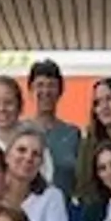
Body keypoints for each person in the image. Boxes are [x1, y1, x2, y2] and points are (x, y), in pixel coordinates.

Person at [2, 127, 70, 221]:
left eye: (36, 154)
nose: (28, 158)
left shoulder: (52, 198)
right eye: (21, 150)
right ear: (7, 156)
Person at [26, 58, 83, 197]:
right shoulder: (21, 131)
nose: (45, 91)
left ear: (60, 91)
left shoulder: (72, 134)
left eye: (51, 85)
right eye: (39, 85)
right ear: (30, 89)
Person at [77, 77, 111, 206]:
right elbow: (84, 185)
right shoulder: (89, 143)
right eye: (97, 103)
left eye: (109, 99)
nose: (104, 107)